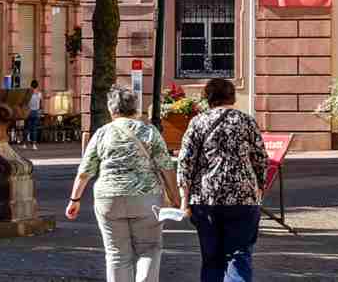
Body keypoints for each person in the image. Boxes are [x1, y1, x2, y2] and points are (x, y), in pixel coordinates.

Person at [66, 85, 183, 282]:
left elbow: (85, 171)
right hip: (146, 199)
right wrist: (175, 197)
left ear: (112, 110)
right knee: (149, 249)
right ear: (135, 108)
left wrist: (74, 199)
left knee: (116, 254)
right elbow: (166, 167)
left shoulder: (102, 133)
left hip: (108, 198)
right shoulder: (149, 131)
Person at [176, 76, 268, 282]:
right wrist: (259, 187)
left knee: (211, 258)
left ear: (207, 98)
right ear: (232, 97)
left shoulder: (198, 122)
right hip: (243, 197)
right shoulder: (246, 121)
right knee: (239, 255)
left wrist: (184, 199)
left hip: (206, 198)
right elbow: (261, 158)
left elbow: (185, 162)